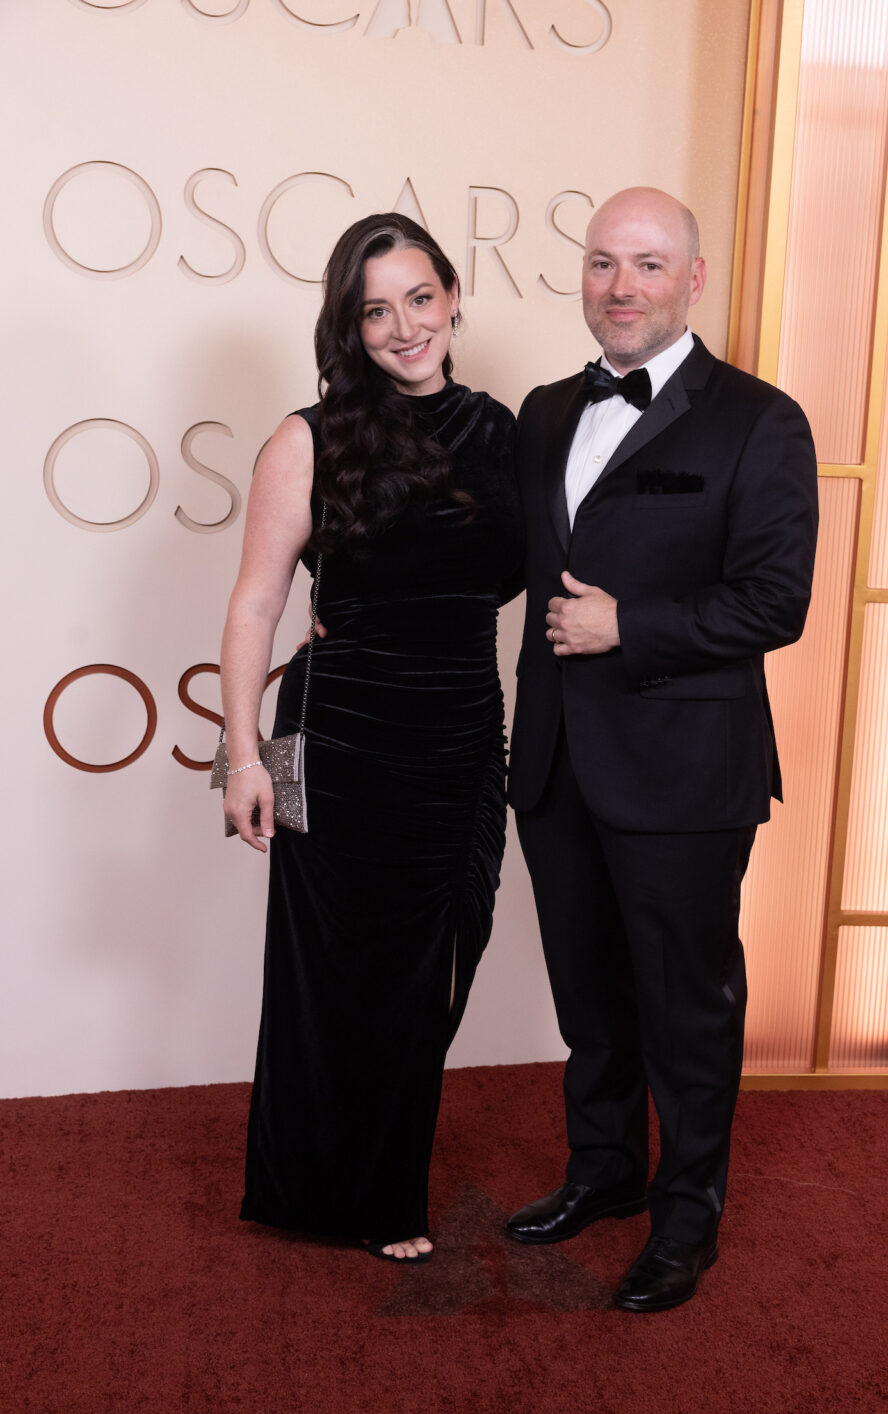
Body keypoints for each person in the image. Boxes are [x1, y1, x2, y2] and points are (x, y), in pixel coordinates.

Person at [504, 187, 818, 1311]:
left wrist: (626, 626)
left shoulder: (760, 420)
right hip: (555, 761)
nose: (620, 286)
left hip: (684, 773)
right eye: (602, 263)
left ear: (692, 279)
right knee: (587, 998)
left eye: (645, 264)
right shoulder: (544, 410)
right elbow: (503, 557)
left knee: (686, 1007)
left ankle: (687, 1220)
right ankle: (603, 1173)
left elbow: (775, 601)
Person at [219, 214, 522, 1263]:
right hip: (336, 737)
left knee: (436, 963)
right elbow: (258, 602)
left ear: (451, 297)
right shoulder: (307, 437)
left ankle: (367, 1168)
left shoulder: (502, 433)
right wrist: (242, 757)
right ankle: (350, 1195)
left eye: (419, 299)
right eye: (375, 311)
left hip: (462, 734)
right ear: (349, 328)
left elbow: (507, 571)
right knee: (331, 969)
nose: (404, 328)